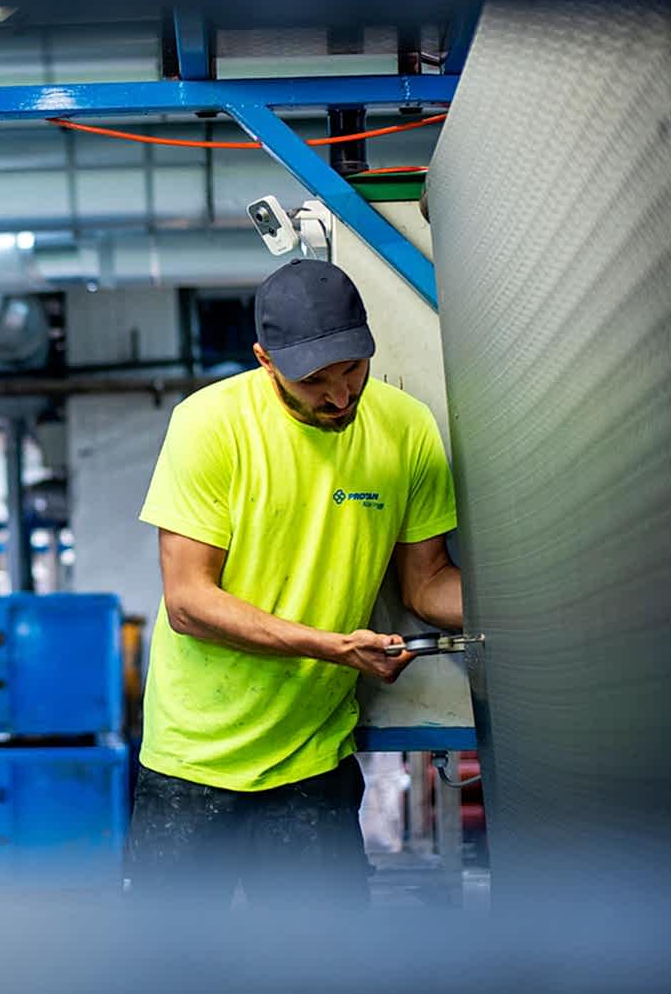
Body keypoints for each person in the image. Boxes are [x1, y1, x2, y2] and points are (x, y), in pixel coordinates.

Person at [127, 258, 462, 909]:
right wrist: (332, 647)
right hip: (193, 759)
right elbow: (190, 603)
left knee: (325, 966)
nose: (339, 396)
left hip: (313, 760)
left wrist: (533, 608)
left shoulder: (406, 429)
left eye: (353, 370)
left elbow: (428, 587)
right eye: (315, 381)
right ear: (264, 358)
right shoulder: (211, 425)